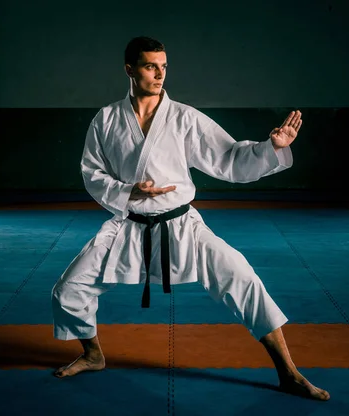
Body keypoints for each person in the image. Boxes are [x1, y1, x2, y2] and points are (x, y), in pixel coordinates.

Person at [51, 36, 330, 401]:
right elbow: (92, 172)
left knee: (243, 278)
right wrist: (129, 192)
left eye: (164, 66)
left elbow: (228, 158)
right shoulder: (106, 120)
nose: (159, 73)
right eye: (151, 66)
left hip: (182, 225)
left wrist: (271, 148)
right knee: (68, 289)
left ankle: (288, 372)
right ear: (130, 69)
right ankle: (93, 354)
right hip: (129, 224)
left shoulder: (184, 118)